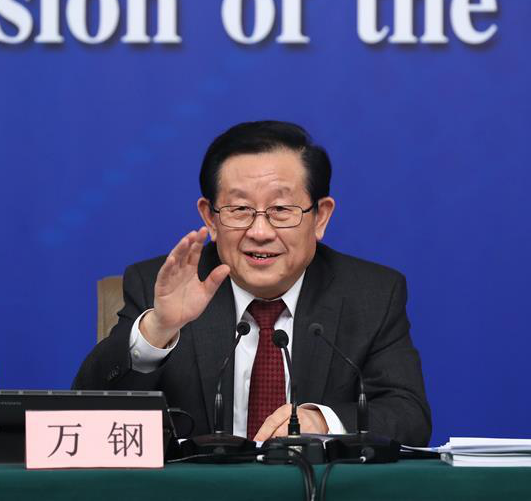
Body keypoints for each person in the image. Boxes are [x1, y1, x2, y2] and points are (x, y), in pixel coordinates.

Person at [73, 121, 431, 446]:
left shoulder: (371, 295)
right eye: (240, 210)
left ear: (320, 217)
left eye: (281, 210)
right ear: (210, 218)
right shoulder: (158, 286)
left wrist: (323, 422)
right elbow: (84, 416)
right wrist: (158, 329)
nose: (260, 232)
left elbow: (408, 414)